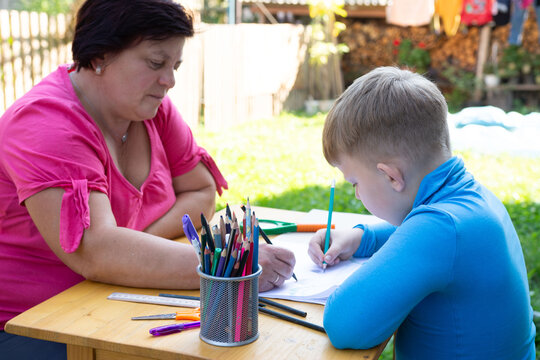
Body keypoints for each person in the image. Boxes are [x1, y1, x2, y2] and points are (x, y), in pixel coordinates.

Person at [0, 0, 294, 358]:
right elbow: (94, 251)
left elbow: (200, 191)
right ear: (99, 56)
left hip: (118, 301)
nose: (169, 81)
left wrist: (134, 248)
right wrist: (229, 269)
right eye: (156, 63)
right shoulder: (45, 123)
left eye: (175, 66)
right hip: (37, 325)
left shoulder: (150, 108)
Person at [308, 67, 535, 359]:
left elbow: (343, 326)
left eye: (355, 183)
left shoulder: (439, 230)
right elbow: (423, 237)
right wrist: (360, 238)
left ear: (391, 177)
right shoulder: (472, 201)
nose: (356, 194)